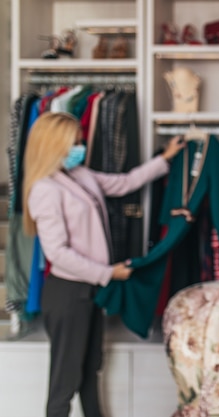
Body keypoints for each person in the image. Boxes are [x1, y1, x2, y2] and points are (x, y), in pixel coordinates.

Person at [21, 111, 185, 417]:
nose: (80, 146)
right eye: (74, 142)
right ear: (54, 144)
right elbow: (57, 252)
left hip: (90, 290)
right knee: (65, 380)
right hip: (69, 293)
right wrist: (108, 273)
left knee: (90, 369)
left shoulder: (79, 175)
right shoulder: (45, 190)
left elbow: (123, 183)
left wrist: (165, 158)